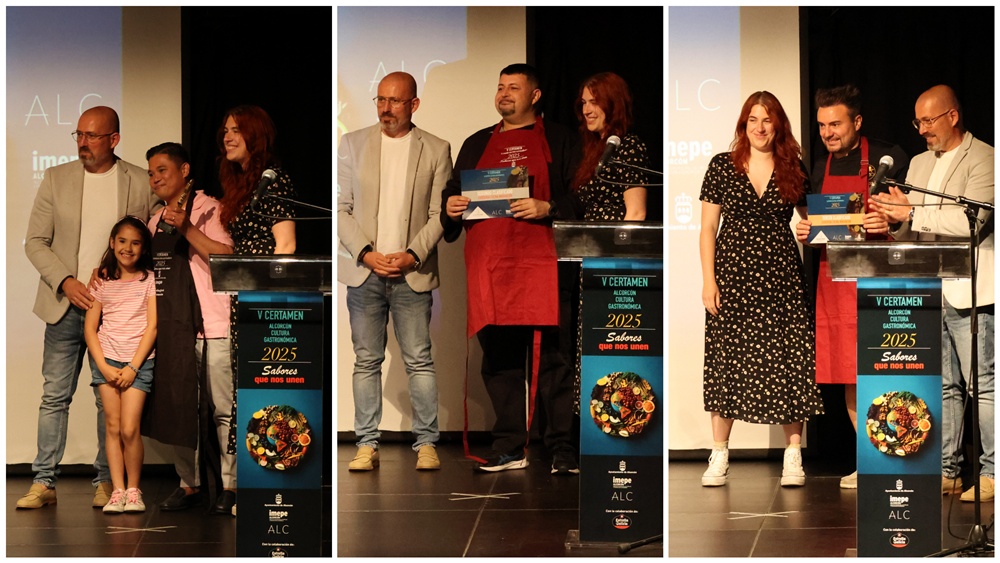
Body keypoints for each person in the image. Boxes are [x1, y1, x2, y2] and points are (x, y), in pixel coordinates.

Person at [442, 64, 582, 474]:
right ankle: (509, 447)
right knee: (499, 362)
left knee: (554, 361)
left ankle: (561, 449)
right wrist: (451, 206)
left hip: (543, 265)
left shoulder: (560, 139)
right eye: (500, 86)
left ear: (535, 96)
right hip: (490, 268)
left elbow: (582, 196)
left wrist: (548, 207)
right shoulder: (475, 143)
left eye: (513, 88)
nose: (503, 94)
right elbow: (454, 193)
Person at [19, 106, 159, 510]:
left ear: (114, 139)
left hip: (117, 314)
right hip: (65, 304)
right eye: (78, 135)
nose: (82, 143)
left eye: (91, 136)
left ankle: (106, 481)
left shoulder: (138, 180)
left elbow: (154, 234)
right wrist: (66, 281)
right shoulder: (55, 177)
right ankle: (43, 481)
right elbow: (35, 241)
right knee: (55, 395)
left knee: (108, 400)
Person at [871, 84, 994, 502]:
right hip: (928, 288)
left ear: (952, 116)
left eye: (929, 121)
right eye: (918, 122)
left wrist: (912, 214)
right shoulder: (920, 163)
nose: (922, 130)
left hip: (971, 290)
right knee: (943, 386)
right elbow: (912, 228)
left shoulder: (986, 158)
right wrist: (893, 222)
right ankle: (948, 470)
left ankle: (993, 472)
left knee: (983, 384)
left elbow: (972, 221)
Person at [699, 91, 824, 487]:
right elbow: (707, 228)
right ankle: (720, 453)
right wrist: (708, 280)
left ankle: (793, 455)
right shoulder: (722, 165)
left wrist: (811, 232)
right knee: (727, 360)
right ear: (743, 124)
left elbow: (812, 225)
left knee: (789, 359)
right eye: (752, 119)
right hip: (732, 277)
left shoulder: (792, 167)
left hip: (781, 277)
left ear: (778, 125)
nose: (759, 127)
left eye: (767, 119)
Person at [793, 85, 908, 489]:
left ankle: (899, 453)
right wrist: (807, 233)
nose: (828, 132)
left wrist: (889, 221)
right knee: (850, 373)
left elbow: (908, 215)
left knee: (886, 365)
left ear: (857, 122)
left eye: (836, 124)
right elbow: (817, 225)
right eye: (822, 125)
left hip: (880, 280)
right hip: (836, 282)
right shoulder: (817, 166)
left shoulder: (888, 157)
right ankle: (870, 459)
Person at [338, 72, 452, 471]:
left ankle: (427, 443)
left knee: (419, 359)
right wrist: (366, 253)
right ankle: (366, 444)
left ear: (414, 104)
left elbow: (440, 214)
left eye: (395, 101)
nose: (386, 109)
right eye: (380, 100)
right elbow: (341, 208)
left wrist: (413, 255)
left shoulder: (436, 148)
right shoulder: (352, 143)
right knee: (366, 360)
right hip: (365, 272)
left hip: (411, 273)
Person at [140, 143, 237, 515]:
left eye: (162, 170)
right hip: (174, 330)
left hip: (214, 324)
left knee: (223, 409)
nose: (155, 178)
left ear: (184, 170)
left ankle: (231, 485)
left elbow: (227, 257)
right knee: (180, 408)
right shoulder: (154, 221)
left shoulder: (211, 208)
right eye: (151, 173)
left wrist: (187, 227)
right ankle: (189, 484)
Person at [217, 105, 297, 463]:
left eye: (236, 130)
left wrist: (268, 299)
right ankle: (253, 468)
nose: (227, 137)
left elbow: (286, 245)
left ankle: (276, 460)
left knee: (264, 379)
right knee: (246, 381)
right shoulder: (244, 183)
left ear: (255, 135)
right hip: (244, 292)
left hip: (264, 295)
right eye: (225, 131)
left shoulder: (274, 180)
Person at [83, 216, 158, 513]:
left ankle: (133, 491)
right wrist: (103, 366)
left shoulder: (149, 280)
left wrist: (133, 368)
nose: (128, 248)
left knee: (129, 428)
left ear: (144, 248)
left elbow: (152, 327)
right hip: (107, 361)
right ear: (112, 243)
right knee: (112, 427)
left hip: (138, 362)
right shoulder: (101, 281)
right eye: (123, 241)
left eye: (136, 243)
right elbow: (91, 329)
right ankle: (117, 491)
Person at [573, 71, 648, 221]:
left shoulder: (629, 146)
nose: (586, 111)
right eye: (584, 102)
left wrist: (620, 236)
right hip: (592, 235)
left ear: (613, 104)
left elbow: (636, 213)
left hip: (615, 235)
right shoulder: (595, 148)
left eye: (594, 102)